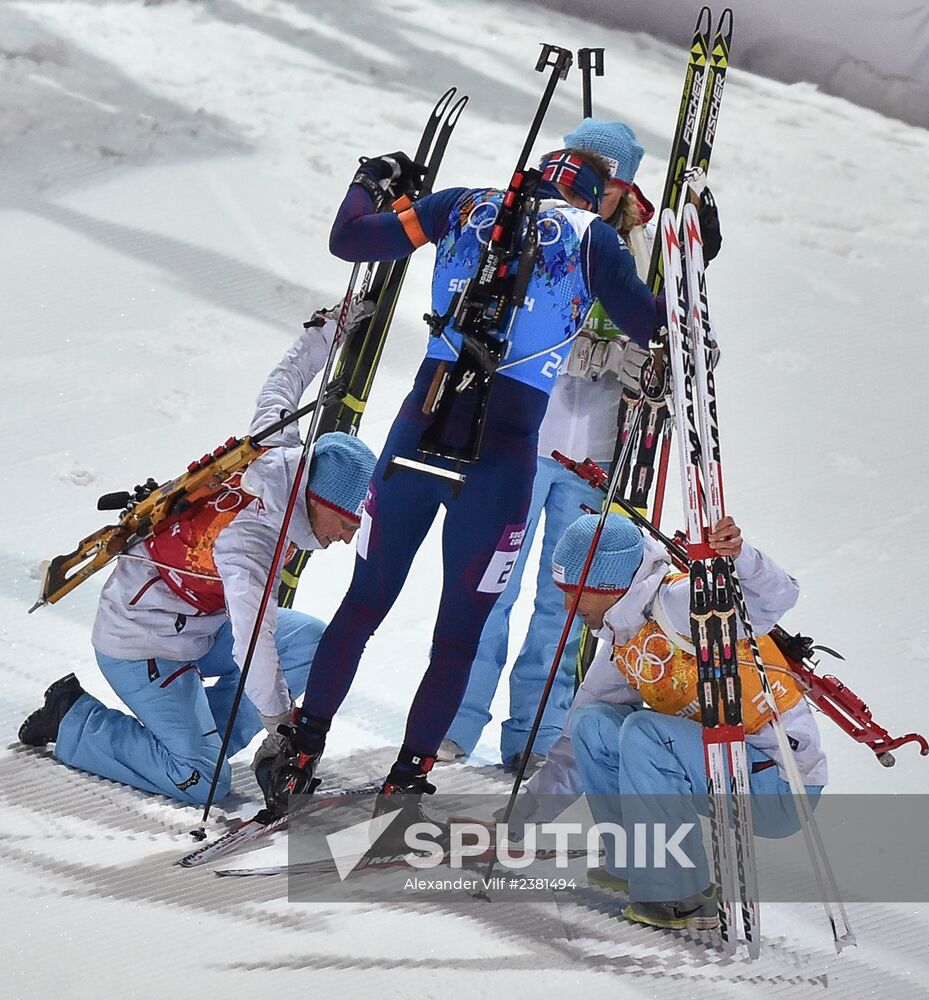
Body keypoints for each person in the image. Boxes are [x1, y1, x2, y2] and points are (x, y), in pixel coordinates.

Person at [261, 142, 667, 815]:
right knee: (460, 630)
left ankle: (301, 751)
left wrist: (371, 182)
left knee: (362, 604)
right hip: (501, 463)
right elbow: (652, 324)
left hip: (414, 440)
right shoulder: (593, 237)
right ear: (595, 196)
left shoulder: (462, 206)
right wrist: (685, 277)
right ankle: (408, 776)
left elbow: (350, 241)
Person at [441, 119, 722, 772]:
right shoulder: (538, 231)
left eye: (605, 180)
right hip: (516, 441)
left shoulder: (650, 252)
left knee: (564, 607)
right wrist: (594, 351)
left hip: (597, 458)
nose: (587, 190)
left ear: (625, 187)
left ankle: (533, 741)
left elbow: (684, 340)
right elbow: (495, 327)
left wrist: (665, 364)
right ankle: (452, 726)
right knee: (488, 588)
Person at [18, 310, 377, 806]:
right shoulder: (250, 543)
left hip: (201, 624)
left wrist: (327, 333)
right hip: (142, 640)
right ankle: (73, 717)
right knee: (203, 781)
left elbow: (284, 383)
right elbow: (255, 641)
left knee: (310, 641)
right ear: (320, 501)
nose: (344, 537)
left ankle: (198, 737)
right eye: (347, 524)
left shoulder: (281, 448)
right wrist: (279, 725)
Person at [504, 512, 826, 930]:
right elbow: (570, 750)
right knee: (591, 723)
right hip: (724, 766)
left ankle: (680, 893)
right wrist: (517, 819)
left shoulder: (680, 602)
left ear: (611, 586)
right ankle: (637, 863)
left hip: (778, 784)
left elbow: (777, 599)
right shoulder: (628, 639)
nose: (569, 607)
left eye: (577, 593)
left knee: (644, 732)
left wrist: (741, 556)